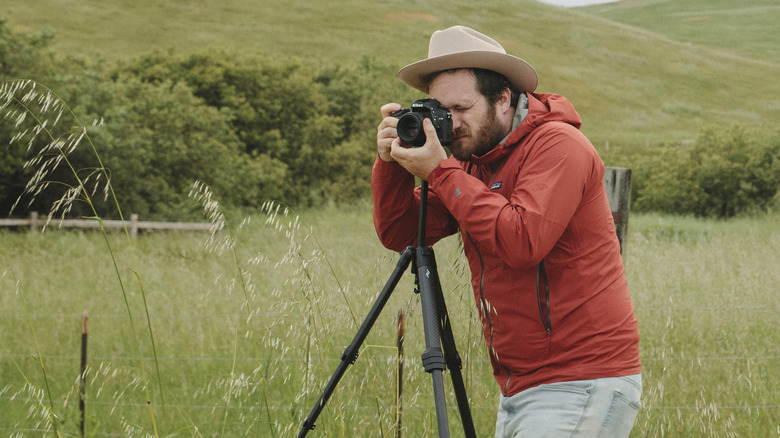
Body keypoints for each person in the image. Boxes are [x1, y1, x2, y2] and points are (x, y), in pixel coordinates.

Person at [372, 26, 641, 437]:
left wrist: (440, 171)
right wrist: (391, 163)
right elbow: (402, 232)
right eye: (440, 110)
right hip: (521, 384)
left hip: (582, 378)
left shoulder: (559, 145)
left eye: (462, 107)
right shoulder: (471, 163)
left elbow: (521, 242)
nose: (450, 123)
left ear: (503, 99)